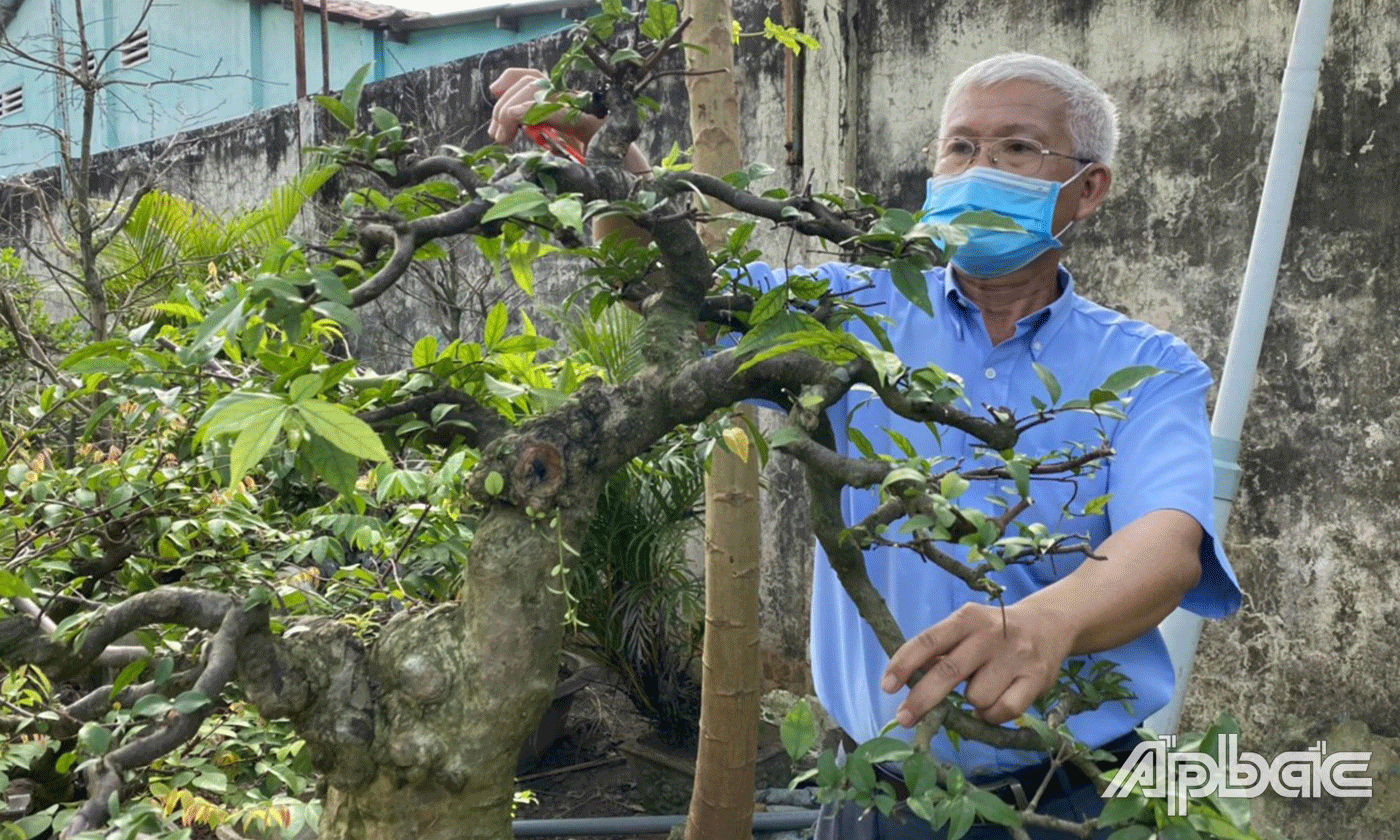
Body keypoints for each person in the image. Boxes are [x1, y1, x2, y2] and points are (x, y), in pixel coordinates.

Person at [490, 52, 1242, 839]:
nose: (978, 169)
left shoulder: (1146, 367)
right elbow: (673, 288)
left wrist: (1042, 624)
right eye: (959, 147)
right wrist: (601, 152)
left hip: (1075, 793)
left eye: (1016, 149)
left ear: (1087, 190)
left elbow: (1168, 544)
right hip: (873, 796)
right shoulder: (844, 308)